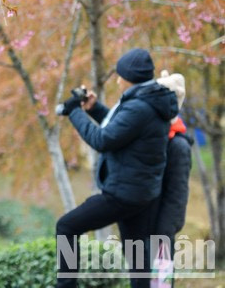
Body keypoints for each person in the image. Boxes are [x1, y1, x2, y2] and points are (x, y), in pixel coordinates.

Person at [55, 48, 178, 288]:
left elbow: (102, 140)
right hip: (142, 193)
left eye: (120, 75)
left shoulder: (139, 106)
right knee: (137, 257)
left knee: (67, 226)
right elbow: (121, 130)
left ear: (129, 77)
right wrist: (94, 109)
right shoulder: (150, 99)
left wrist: (75, 112)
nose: (118, 79)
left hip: (124, 194)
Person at [153, 71, 193, 286]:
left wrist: (163, 232)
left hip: (161, 232)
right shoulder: (156, 137)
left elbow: (178, 195)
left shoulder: (178, 146)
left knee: (159, 281)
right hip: (147, 225)